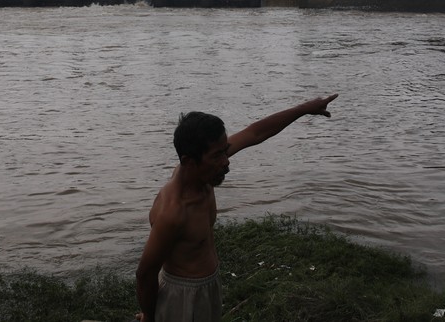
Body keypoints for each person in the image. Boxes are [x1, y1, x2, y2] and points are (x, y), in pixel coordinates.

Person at [135, 95, 339, 322]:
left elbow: (256, 133)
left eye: (225, 150)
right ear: (189, 161)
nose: (226, 161)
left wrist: (304, 109)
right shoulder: (173, 212)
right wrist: (150, 316)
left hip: (208, 286)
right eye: (217, 156)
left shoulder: (204, 171)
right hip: (183, 297)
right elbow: (145, 273)